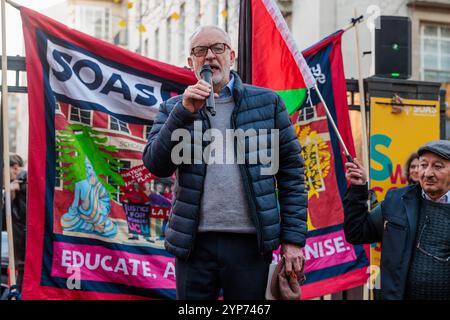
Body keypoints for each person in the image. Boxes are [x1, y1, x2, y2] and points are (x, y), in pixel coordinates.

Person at [143, 25, 307, 300]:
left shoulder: (268, 104)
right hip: (194, 245)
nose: (209, 57)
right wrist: (182, 114)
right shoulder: (174, 109)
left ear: (232, 56)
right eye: (200, 51)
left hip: (250, 245)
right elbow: (156, 165)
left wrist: (292, 241)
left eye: (217, 48)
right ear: (190, 62)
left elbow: (291, 174)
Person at [343, 140, 450, 300]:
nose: (427, 173)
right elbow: (356, 232)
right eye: (423, 165)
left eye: (437, 166)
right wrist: (359, 188)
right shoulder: (397, 200)